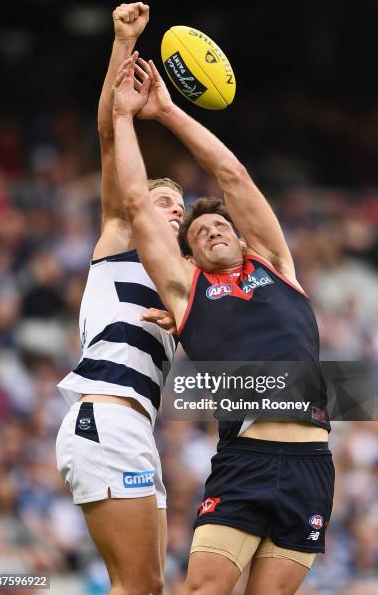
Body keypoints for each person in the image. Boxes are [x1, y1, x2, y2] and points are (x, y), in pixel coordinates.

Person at [112, 54, 335, 595]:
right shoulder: (188, 293)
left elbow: (232, 174)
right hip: (246, 457)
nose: (212, 230)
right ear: (187, 256)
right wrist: (123, 120)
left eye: (220, 225)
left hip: (312, 462)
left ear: (240, 236)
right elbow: (138, 204)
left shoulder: (276, 266)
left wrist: (167, 112)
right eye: (198, 233)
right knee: (202, 589)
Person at [55, 4, 184, 595]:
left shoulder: (182, 284)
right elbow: (110, 135)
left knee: (144, 587)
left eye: (181, 207)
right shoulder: (121, 237)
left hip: (135, 428)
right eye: (164, 200)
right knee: (137, 587)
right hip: (107, 417)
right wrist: (122, 41)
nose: (176, 209)